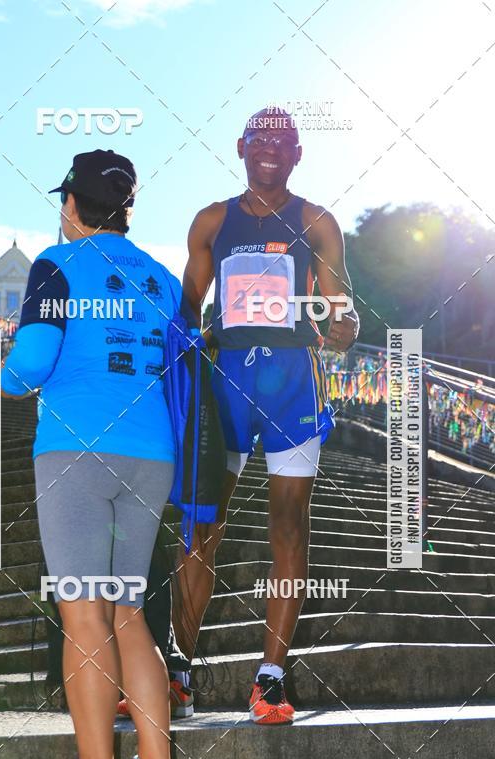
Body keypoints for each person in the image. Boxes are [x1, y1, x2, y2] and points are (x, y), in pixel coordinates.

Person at [1, 150, 185, 759]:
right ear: (126, 208)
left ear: (72, 205)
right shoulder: (163, 280)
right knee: (127, 612)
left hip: (77, 449)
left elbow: (29, 366)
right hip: (152, 453)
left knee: (82, 613)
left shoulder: (57, 263)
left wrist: (1, 376)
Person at [172, 108, 359, 724]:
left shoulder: (316, 221)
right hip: (225, 383)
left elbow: (340, 309)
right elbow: (186, 309)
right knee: (203, 526)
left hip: (289, 386)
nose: (270, 150)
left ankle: (271, 679)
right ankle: (178, 669)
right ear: (240, 147)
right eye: (259, 140)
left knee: (289, 526)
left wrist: (342, 326)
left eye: (282, 142)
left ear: (299, 153)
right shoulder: (211, 220)